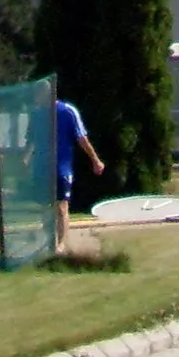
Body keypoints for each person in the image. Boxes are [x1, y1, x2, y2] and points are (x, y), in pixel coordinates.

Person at [53, 93, 104, 253]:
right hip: (42, 168)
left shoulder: (67, 111)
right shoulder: (38, 112)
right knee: (47, 208)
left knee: (61, 205)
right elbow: (31, 140)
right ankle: (49, 243)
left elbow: (81, 138)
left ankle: (60, 246)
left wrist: (95, 160)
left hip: (61, 166)